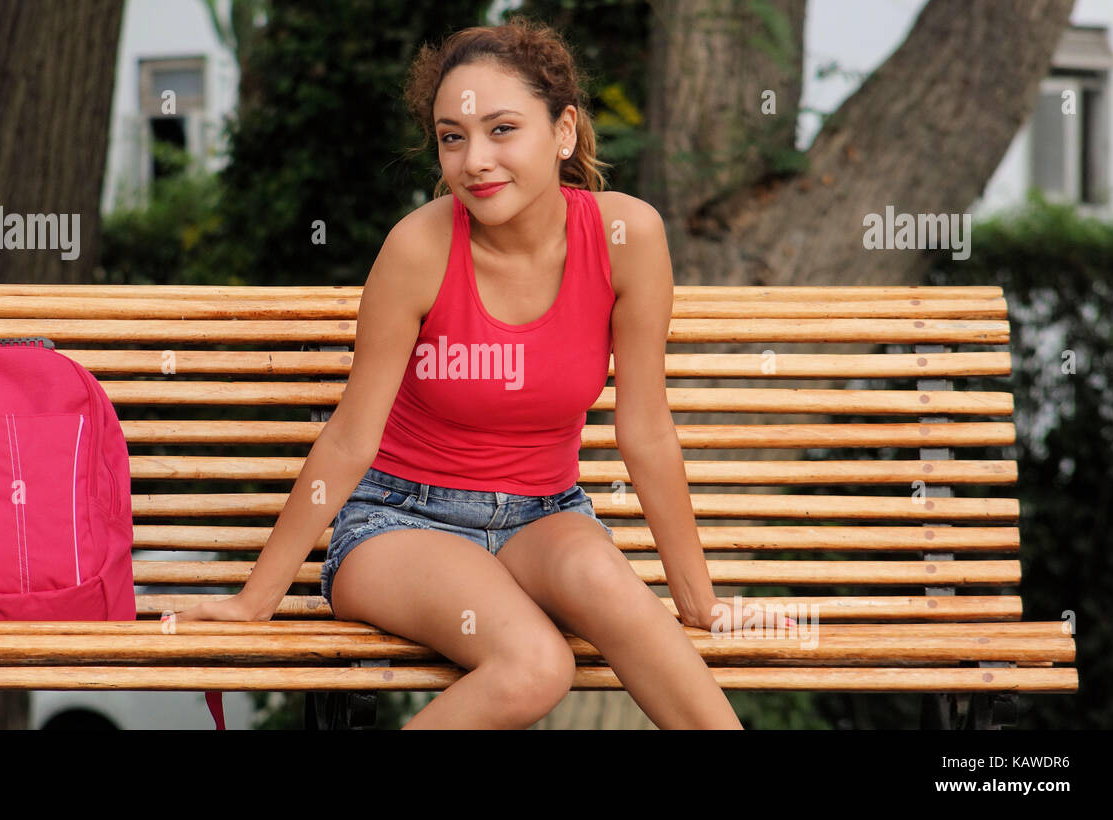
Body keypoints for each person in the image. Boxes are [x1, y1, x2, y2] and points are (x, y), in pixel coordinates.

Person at [172, 18, 755, 730]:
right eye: (453, 137)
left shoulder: (627, 237)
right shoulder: (419, 248)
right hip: (399, 522)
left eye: (502, 129)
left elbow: (647, 431)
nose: (475, 159)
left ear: (563, 131)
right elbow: (350, 440)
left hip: (546, 514)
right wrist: (255, 598)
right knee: (536, 665)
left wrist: (697, 603)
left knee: (617, 595)